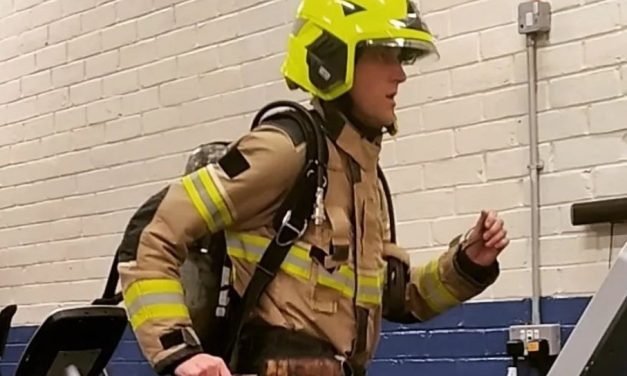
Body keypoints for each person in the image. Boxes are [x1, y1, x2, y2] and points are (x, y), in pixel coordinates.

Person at [116, 0, 510, 375]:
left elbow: (398, 299)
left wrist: (467, 263)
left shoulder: (363, 179)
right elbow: (151, 233)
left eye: (401, 57)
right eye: (383, 55)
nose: (400, 73)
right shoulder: (285, 151)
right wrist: (177, 350)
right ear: (334, 59)